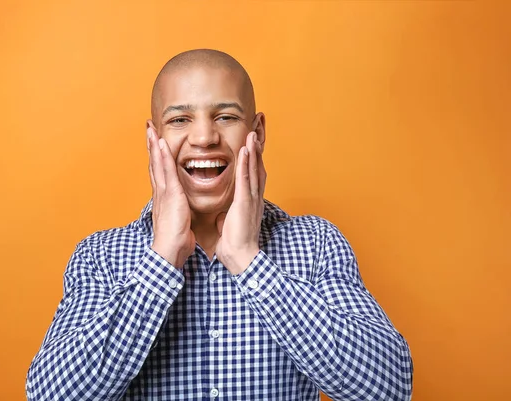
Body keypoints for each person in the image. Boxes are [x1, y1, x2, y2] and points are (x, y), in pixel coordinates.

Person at [26, 49, 413, 400]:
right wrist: (161, 261)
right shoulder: (101, 257)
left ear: (256, 132)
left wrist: (249, 260)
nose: (204, 137)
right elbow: (49, 395)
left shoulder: (316, 244)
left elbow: (390, 387)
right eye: (180, 119)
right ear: (153, 139)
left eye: (225, 117)